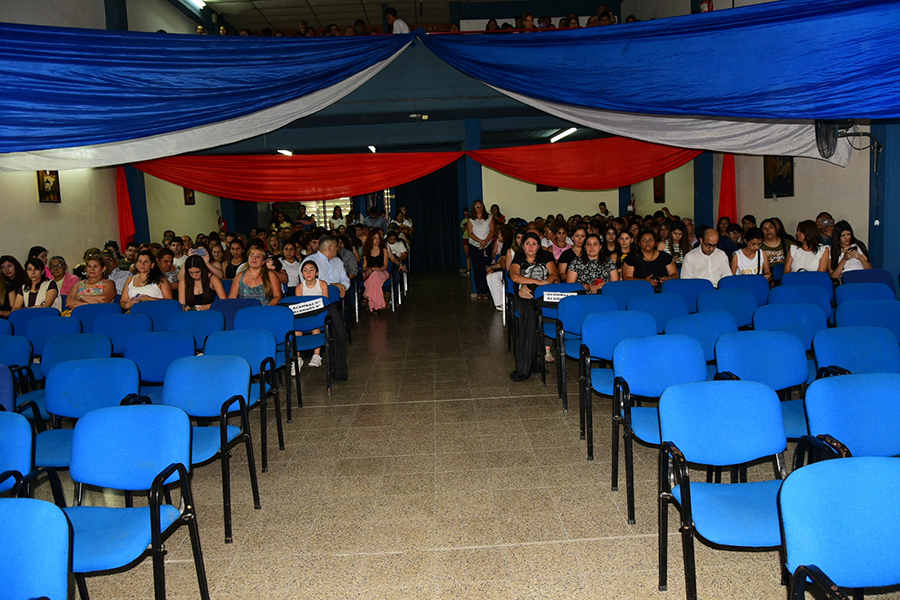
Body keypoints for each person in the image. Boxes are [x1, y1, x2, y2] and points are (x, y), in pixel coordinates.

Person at [508, 232, 558, 381]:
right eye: (527, 243)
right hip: (525, 292)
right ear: (522, 246)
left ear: (538, 246)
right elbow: (515, 276)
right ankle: (526, 360)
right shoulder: (518, 258)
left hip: (543, 292)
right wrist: (535, 283)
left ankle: (538, 351)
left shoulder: (546, 257)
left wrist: (544, 284)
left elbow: (554, 274)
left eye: (534, 243)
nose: (530, 246)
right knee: (529, 309)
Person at [297, 261, 330, 367]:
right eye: (305, 270)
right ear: (302, 273)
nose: (308, 273)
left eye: (311, 270)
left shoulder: (322, 284)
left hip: (319, 314)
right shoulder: (300, 288)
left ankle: (316, 355)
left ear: (316, 273)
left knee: (314, 326)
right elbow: (298, 307)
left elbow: (326, 302)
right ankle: (297, 358)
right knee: (297, 328)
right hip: (305, 314)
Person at [466, 200, 496, 301]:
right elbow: (470, 233)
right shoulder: (471, 220)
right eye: (477, 206)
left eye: (481, 206)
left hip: (486, 246)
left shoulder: (489, 218)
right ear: (474, 208)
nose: (479, 208)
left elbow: (492, 231)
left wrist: (485, 241)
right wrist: (479, 241)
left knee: (486, 268)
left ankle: (486, 290)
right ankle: (480, 291)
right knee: (477, 269)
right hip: (474, 245)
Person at [361, 229, 394, 314]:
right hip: (369, 274)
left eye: (378, 238)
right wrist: (370, 270)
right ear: (370, 239)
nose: (377, 240)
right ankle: (375, 308)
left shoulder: (384, 249)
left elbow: (385, 266)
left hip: (382, 273)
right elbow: (364, 267)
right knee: (374, 279)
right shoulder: (366, 251)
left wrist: (374, 269)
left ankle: (366, 297)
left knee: (375, 275)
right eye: (375, 238)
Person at [486, 225, 513, 311]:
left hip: (509, 271)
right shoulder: (504, 244)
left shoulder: (507, 245)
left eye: (499, 234)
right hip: (504, 269)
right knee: (489, 276)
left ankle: (502, 303)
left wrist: (491, 267)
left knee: (493, 276)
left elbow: (503, 265)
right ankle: (498, 303)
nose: (498, 236)